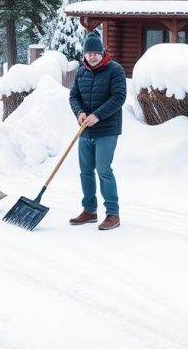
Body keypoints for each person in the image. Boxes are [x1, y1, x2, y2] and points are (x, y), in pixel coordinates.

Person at [68, 30, 126, 231]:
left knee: (103, 170)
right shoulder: (81, 72)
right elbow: (73, 96)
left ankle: (113, 214)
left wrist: (97, 116)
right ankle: (89, 210)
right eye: (88, 53)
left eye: (95, 53)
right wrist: (80, 113)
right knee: (85, 172)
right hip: (85, 130)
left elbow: (118, 98)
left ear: (102, 52)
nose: (92, 56)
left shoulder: (115, 70)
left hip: (107, 130)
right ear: (84, 54)